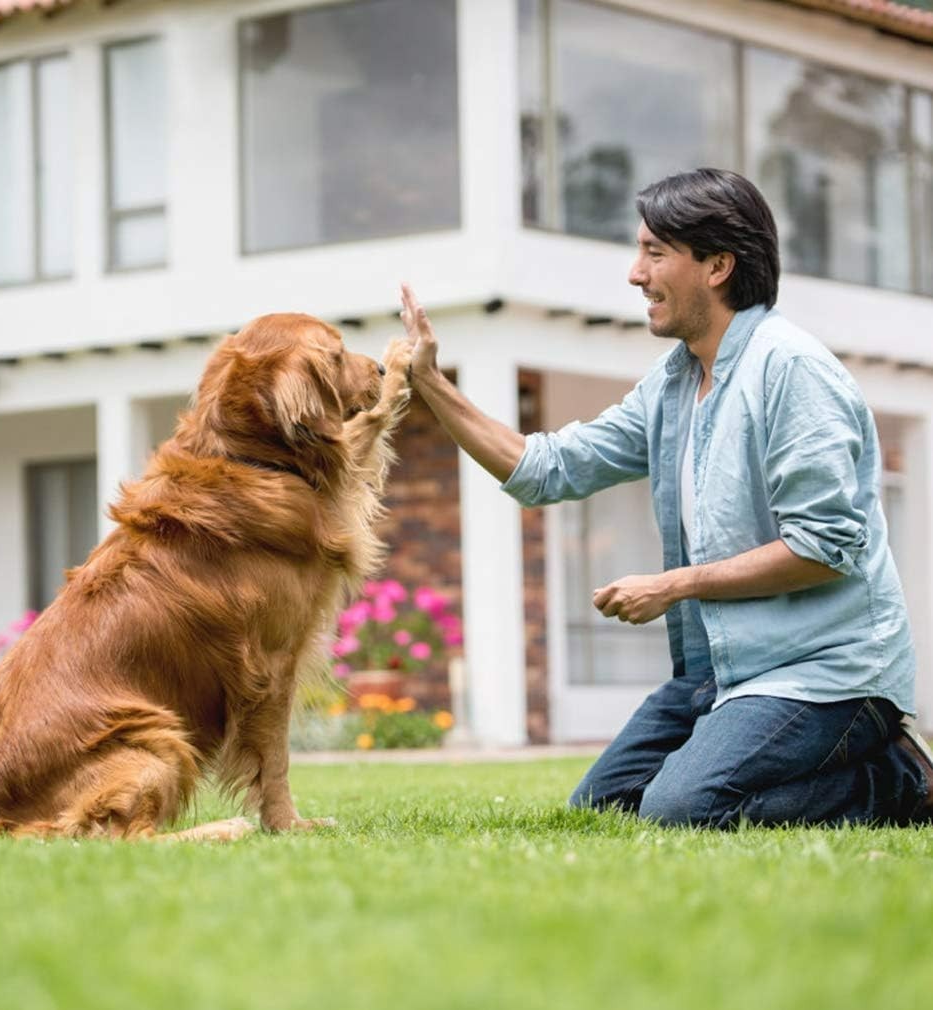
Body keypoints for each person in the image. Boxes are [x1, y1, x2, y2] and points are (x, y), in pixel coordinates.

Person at [399, 167, 933, 828]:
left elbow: (823, 549)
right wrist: (430, 383)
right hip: (720, 673)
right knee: (605, 808)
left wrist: (675, 584)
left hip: (826, 674)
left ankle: (899, 780)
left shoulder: (792, 373)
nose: (634, 273)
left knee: (685, 809)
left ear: (716, 266)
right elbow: (547, 469)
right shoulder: (674, 385)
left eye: (655, 252)